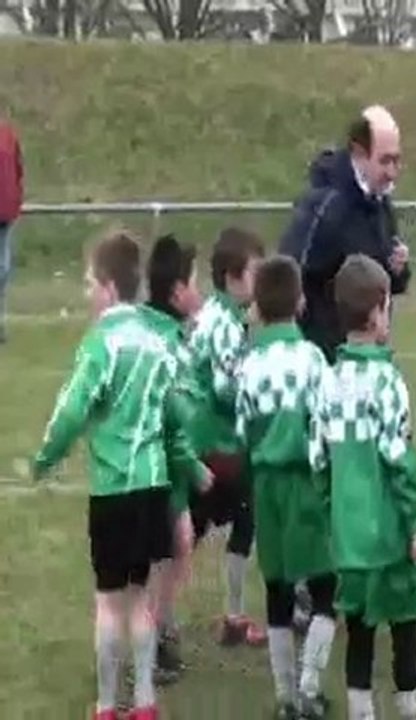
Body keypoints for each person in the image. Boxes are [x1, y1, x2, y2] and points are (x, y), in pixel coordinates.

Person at [32, 230, 201, 720]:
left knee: (109, 603)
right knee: (141, 598)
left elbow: (71, 409)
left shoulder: (103, 341)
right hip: (152, 486)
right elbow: (178, 408)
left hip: (114, 489)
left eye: (89, 282)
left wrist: (46, 457)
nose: (86, 293)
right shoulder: (158, 337)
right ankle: (145, 701)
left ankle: (107, 707)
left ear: (108, 287)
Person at [321, 254, 416, 720]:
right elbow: (399, 463)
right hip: (388, 538)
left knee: (359, 631)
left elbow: (318, 461)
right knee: (404, 625)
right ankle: (409, 708)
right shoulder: (388, 382)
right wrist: (414, 526)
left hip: (348, 540)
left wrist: (335, 516)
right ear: (378, 311)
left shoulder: (328, 381)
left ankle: (361, 711)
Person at [236, 255, 336, 719]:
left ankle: (283, 696)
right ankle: (310, 686)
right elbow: (329, 424)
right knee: (325, 588)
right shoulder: (313, 358)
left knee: (277, 590)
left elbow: (243, 431)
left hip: (267, 489)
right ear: (299, 302)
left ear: (257, 305)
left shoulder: (249, 365)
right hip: (306, 484)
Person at [278, 105, 411, 364]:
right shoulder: (326, 205)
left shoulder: (381, 201)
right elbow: (292, 272)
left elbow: (383, 282)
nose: (392, 172)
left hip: (369, 357)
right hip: (329, 361)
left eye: (397, 160)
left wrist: (398, 270)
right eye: (384, 160)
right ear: (360, 154)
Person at [188, 226, 266, 646]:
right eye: (255, 272)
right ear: (233, 276)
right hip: (219, 445)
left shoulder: (217, 316)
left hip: (204, 443)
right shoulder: (224, 325)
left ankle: (232, 617)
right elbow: (224, 388)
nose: (259, 281)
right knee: (230, 520)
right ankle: (231, 617)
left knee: (198, 528)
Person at [140, 234, 210, 684]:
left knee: (170, 550)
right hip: (163, 470)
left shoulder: (163, 334)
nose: (200, 291)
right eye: (195, 282)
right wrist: (190, 472)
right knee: (171, 548)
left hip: (156, 466)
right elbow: (171, 422)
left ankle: (158, 632)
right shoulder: (168, 345)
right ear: (176, 293)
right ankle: (155, 638)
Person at [0, 118, 23, 343]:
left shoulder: (7, 134)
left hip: (5, 212)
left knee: (3, 271)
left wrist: (16, 199)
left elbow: (18, 168)